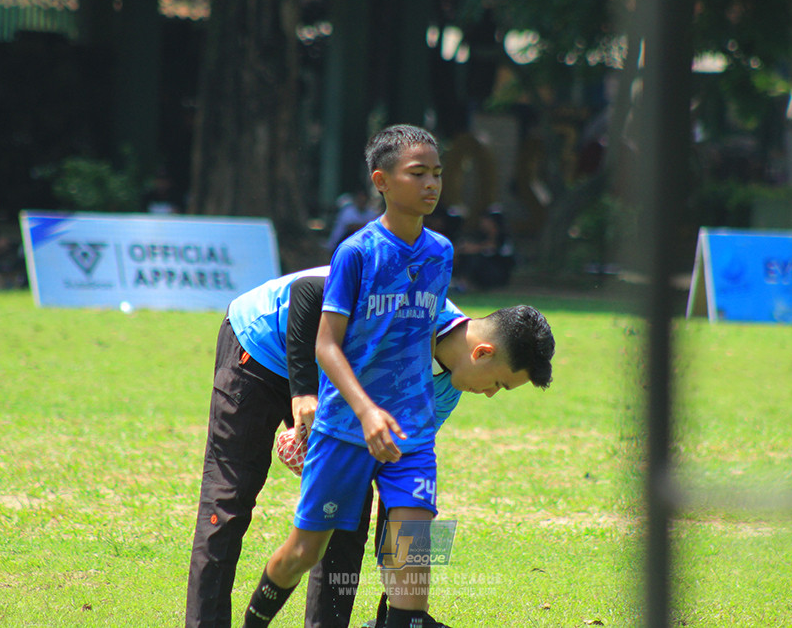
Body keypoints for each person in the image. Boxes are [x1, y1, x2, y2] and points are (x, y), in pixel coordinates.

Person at [183, 264, 555, 628]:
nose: (490, 394)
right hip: (265, 345)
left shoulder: (444, 391)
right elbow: (308, 293)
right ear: (483, 353)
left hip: (332, 381)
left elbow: (401, 483)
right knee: (228, 502)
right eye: (499, 384)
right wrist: (303, 393)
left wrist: (401, 611)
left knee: (349, 512)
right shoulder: (409, 303)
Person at [240, 124, 452, 628]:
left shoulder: (441, 251)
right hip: (345, 429)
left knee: (412, 561)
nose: (432, 184)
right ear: (381, 180)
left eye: (437, 174)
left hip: (411, 433)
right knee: (303, 552)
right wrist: (366, 409)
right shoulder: (356, 252)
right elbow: (326, 345)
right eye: (417, 173)